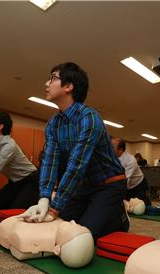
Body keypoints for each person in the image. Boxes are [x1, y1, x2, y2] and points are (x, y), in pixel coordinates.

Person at [19, 62, 128, 239]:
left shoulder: (89, 117)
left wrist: (54, 208)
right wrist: (44, 199)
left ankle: (119, 216)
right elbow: (49, 161)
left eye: (53, 78)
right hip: (84, 185)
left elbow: (76, 165)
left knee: (79, 236)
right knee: (59, 224)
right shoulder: (53, 123)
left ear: (69, 86)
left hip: (110, 185)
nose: (46, 83)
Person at [111, 137, 151, 206]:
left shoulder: (130, 160)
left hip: (138, 184)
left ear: (120, 150)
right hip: (126, 185)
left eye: (112, 147)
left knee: (142, 206)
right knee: (125, 206)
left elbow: (125, 180)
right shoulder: (110, 157)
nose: (109, 149)